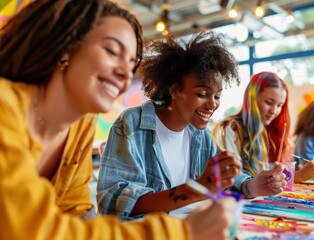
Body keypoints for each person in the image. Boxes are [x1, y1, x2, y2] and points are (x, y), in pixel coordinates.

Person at [0, 1, 237, 239]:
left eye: (132, 63)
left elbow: (76, 212)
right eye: (112, 51)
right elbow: (30, 229)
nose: (126, 73)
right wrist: (183, 232)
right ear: (67, 46)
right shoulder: (4, 106)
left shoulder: (80, 126)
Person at [97, 31, 242, 221]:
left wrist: (254, 184)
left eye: (217, 96)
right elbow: (113, 205)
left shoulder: (200, 135)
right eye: (202, 94)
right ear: (174, 90)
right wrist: (197, 189)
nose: (213, 104)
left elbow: (225, 181)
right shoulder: (132, 124)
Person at [213, 72, 294, 198]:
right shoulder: (229, 128)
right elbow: (230, 174)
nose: (274, 111)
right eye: (269, 102)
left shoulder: (267, 134)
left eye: (279, 105)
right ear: (252, 99)